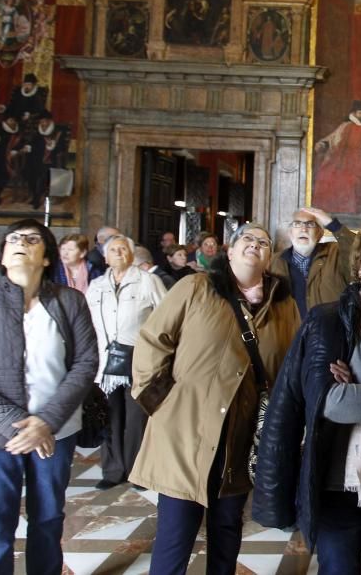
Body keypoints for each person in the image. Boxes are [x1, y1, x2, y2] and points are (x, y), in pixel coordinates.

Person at [253, 218, 361, 572]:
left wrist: (356, 398)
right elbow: (329, 404)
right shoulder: (328, 322)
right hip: (335, 483)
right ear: (359, 265)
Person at [129, 224, 299, 573]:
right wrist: (160, 401)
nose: (255, 245)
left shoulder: (284, 307)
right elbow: (153, 340)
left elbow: (292, 367)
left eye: (263, 242)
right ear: (230, 251)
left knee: (227, 531)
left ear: (269, 257)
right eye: (247, 240)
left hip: (241, 437)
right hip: (185, 433)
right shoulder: (196, 287)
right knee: (176, 534)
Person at [0, 219, 98, 574]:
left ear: (46, 257)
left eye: (32, 239)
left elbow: (86, 363)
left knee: (48, 519)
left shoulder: (70, 301)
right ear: (3, 257)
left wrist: (46, 423)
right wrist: (22, 429)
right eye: (14, 239)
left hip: (56, 431)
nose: (22, 242)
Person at [85, 234, 167, 490]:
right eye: (114, 250)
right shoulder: (96, 285)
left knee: (136, 418)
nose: (119, 253)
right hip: (105, 362)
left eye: (123, 249)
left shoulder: (147, 281)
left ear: (132, 255)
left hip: (138, 360)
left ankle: (137, 471)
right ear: (105, 257)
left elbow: (166, 315)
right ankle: (112, 470)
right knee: (108, 416)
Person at [269, 207, 356, 319]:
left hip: (329, 333)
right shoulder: (274, 262)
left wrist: (333, 225)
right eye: (297, 224)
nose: (303, 229)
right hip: (288, 334)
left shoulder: (336, 253)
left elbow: (360, 252)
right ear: (290, 232)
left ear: (320, 233)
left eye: (310, 224)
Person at [314, 100, 361, 213]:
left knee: (350, 179)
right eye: (359, 113)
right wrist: (324, 144)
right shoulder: (345, 126)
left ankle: (350, 208)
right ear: (354, 114)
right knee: (327, 174)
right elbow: (332, 137)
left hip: (359, 158)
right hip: (340, 156)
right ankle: (331, 206)